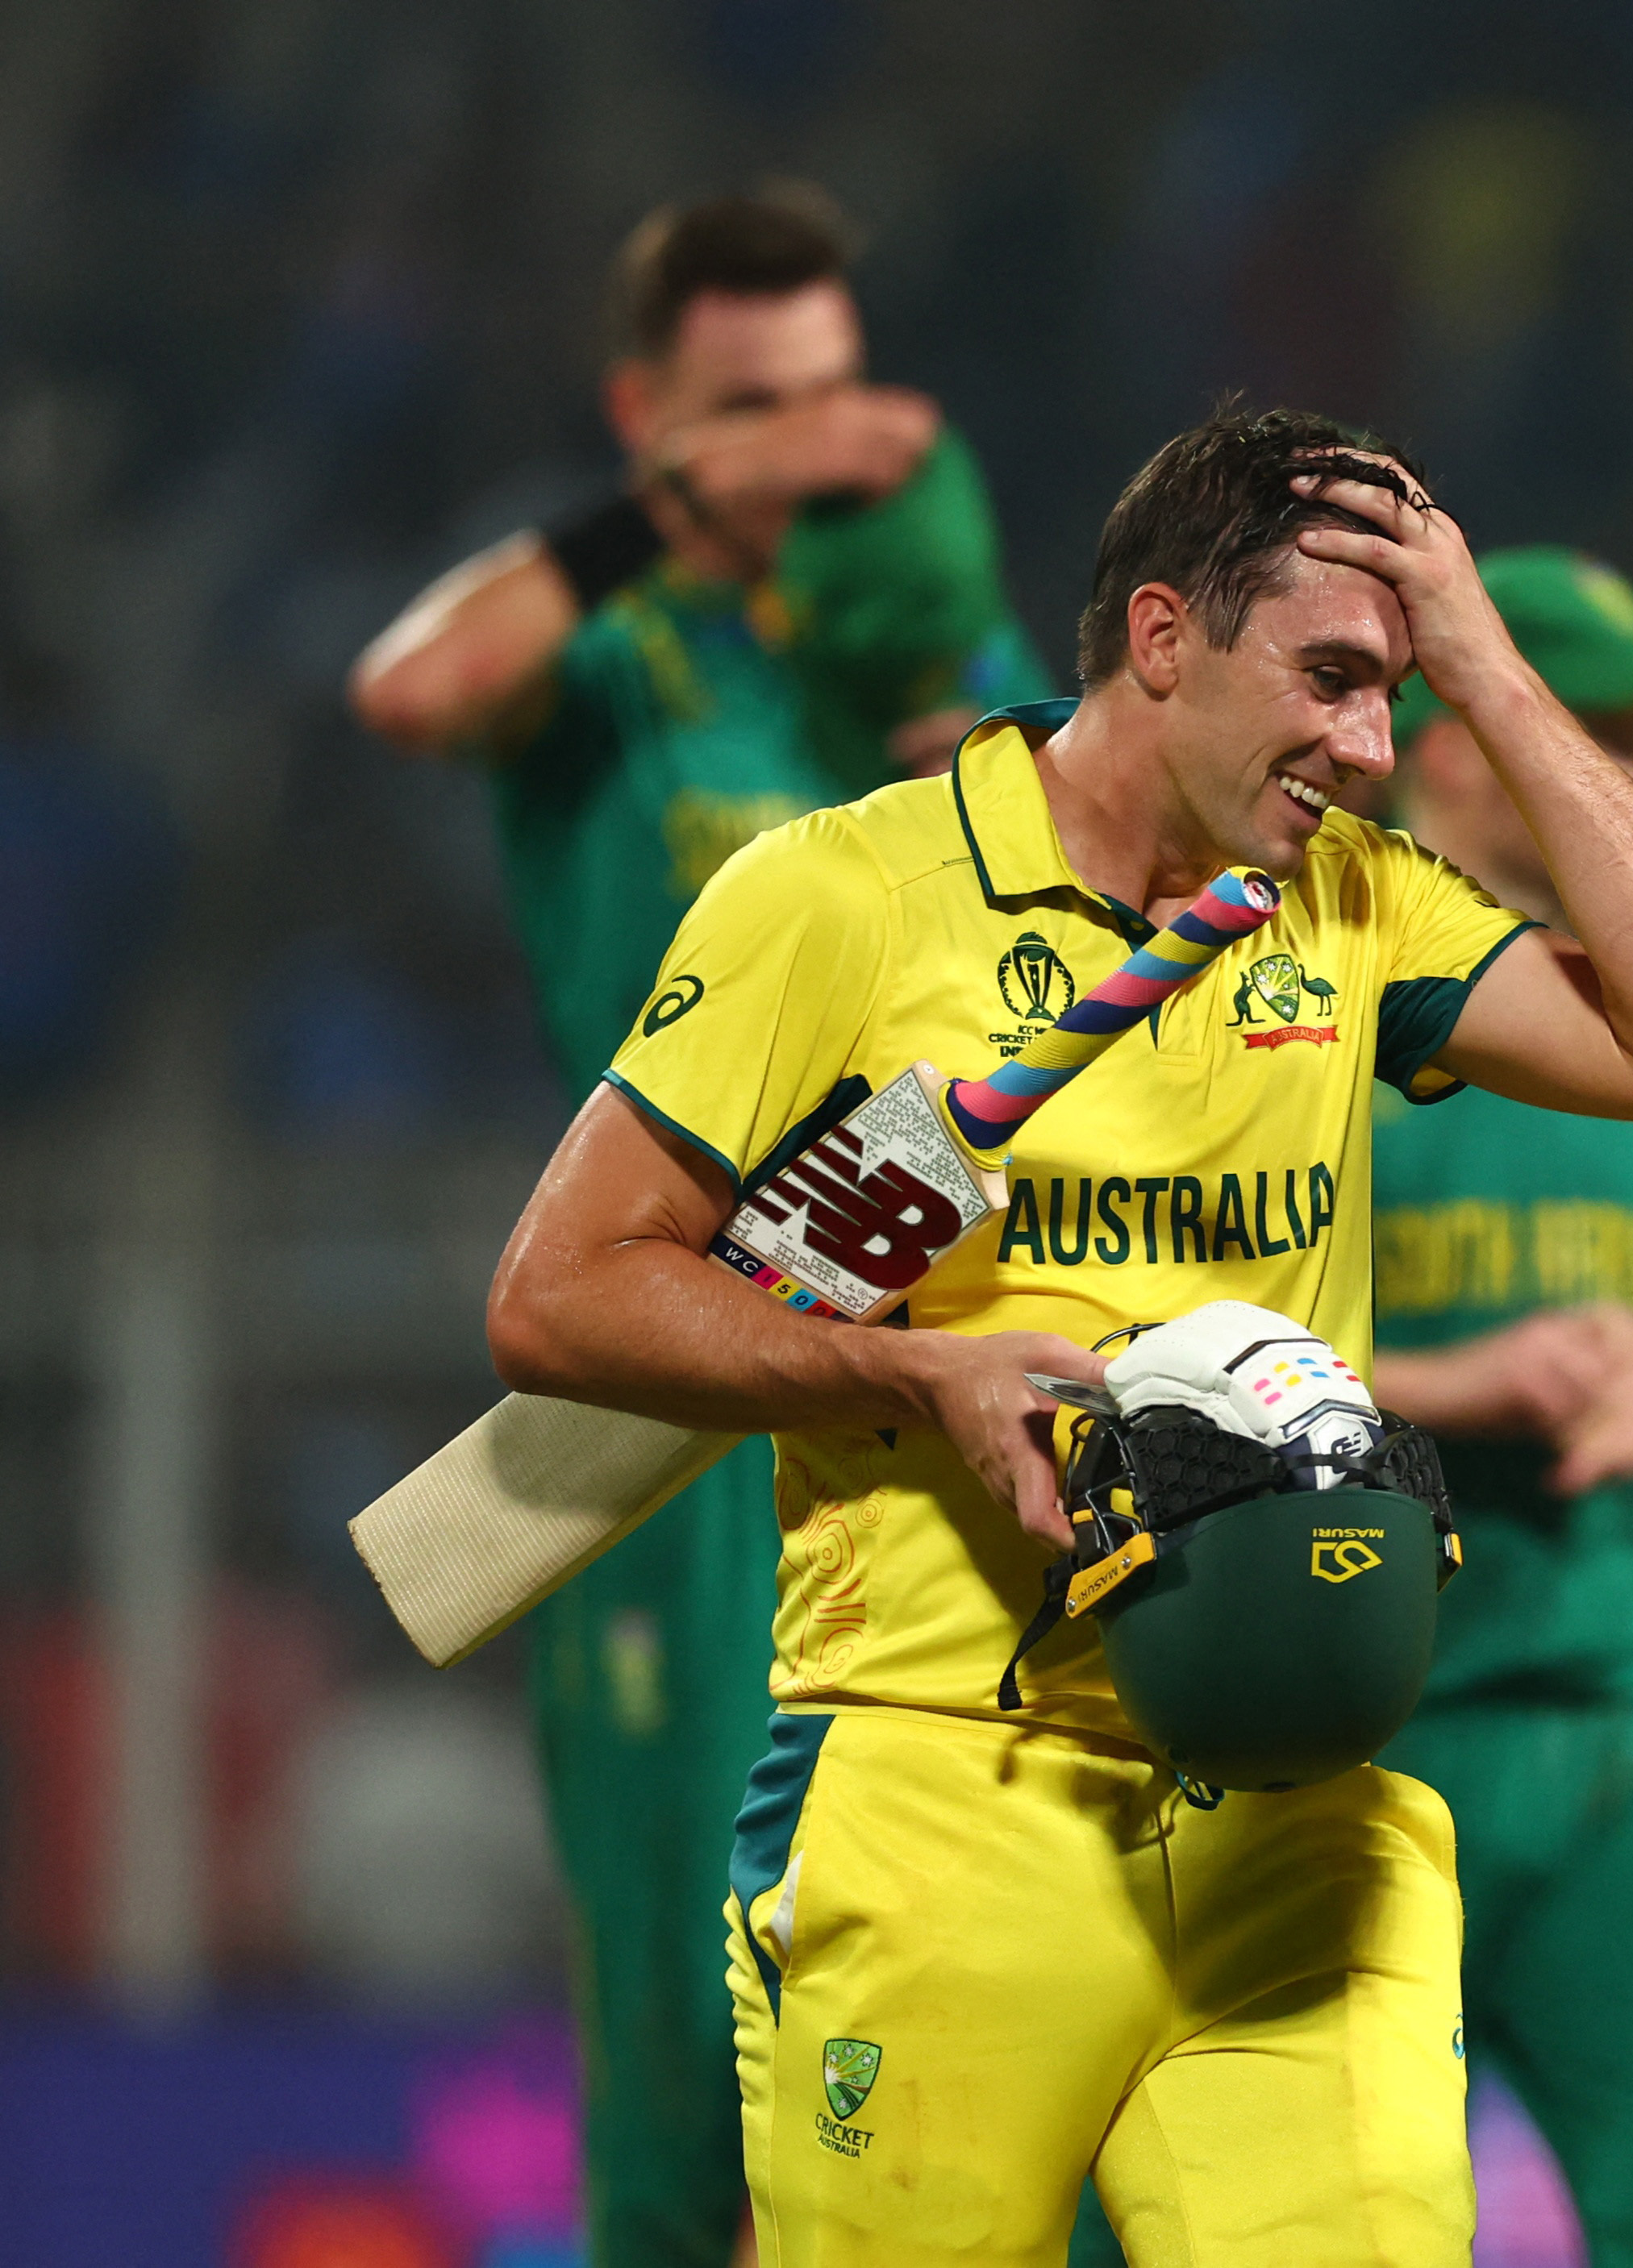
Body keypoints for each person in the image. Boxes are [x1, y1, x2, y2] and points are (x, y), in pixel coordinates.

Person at [476, 406, 1633, 2265]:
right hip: (945, 1786)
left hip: (1296, 1804)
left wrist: (1487, 662)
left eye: (1396, 690)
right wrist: (918, 1369)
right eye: (1330, 678)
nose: (1371, 743)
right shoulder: (841, 899)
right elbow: (558, 1292)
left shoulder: (1352, 904)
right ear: (1163, 637)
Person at [346, 181, 1048, 2268]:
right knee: (678, 2002)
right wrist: (677, 509)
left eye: (835, 393)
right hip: (666, 1386)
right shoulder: (611, 647)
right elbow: (412, 686)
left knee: (953, 1966)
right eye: (753, 406)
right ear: (644, 412)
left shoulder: (913, 621)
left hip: (928, 1353)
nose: (814, 443)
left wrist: (959, 727)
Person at [1314, 546, 1633, 2268]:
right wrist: (1444, 1390)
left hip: (1628, 1736)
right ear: (1452, 742)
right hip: (1344, 1738)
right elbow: (1158, 1346)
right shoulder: (1301, 1014)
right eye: (1616, 737)